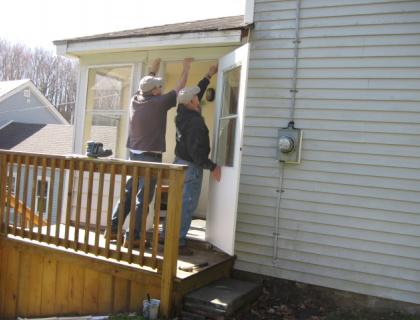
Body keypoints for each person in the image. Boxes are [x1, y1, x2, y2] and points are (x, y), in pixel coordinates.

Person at [106, 57, 193, 248]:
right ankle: (133, 236)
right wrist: (186, 68)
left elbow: (145, 85)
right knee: (143, 198)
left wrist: (153, 70)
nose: (161, 89)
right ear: (154, 91)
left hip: (133, 155)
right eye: (158, 87)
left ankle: (112, 230)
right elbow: (179, 87)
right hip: (149, 157)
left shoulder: (135, 99)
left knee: (128, 194)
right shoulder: (159, 103)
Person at [172, 64, 222, 255]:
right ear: (190, 102)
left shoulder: (182, 112)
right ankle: (178, 243)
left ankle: (173, 237)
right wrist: (212, 166)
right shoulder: (194, 123)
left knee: (180, 203)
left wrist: (208, 75)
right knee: (187, 204)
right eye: (195, 97)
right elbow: (196, 152)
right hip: (191, 167)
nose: (197, 98)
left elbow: (196, 94)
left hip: (180, 162)